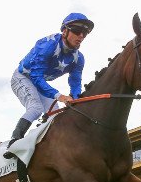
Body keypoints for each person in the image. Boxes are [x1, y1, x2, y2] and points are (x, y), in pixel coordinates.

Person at [8, 13, 94, 146]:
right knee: (36, 108)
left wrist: (76, 100)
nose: (81, 36)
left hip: (40, 82)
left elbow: (75, 83)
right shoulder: (47, 45)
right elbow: (36, 77)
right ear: (64, 31)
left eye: (85, 33)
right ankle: (14, 142)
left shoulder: (79, 58)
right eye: (77, 31)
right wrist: (60, 96)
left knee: (54, 116)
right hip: (23, 77)